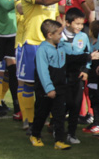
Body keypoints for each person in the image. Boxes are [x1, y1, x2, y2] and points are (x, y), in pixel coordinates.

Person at [19, 0, 84, 133]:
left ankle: (52, 120)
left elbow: (56, 14)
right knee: (31, 84)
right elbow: (45, 1)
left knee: (54, 84)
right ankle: (29, 120)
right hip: (33, 43)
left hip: (52, 46)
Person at [31, 19, 91, 150]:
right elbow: (42, 72)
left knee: (59, 115)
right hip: (46, 90)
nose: (61, 36)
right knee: (42, 113)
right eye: (59, 33)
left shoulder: (61, 47)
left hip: (60, 88)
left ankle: (59, 141)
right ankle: (35, 135)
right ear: (50, 35)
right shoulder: (42, 50)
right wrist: (49, 88)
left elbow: (73, 57)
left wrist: (89, 56)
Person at [60, 8, 99, 145]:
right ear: (68, 23)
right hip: (63, 76)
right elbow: (65, 58)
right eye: (77, 24)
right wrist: (88, 57)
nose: (80, 27)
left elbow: (88, 55)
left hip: (78, 76)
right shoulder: (59, 38)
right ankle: (56, 128)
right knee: (62, 104)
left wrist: (86, 70)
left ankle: (71, 133)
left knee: (76, 104)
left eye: (82, 24)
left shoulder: (83, 37)